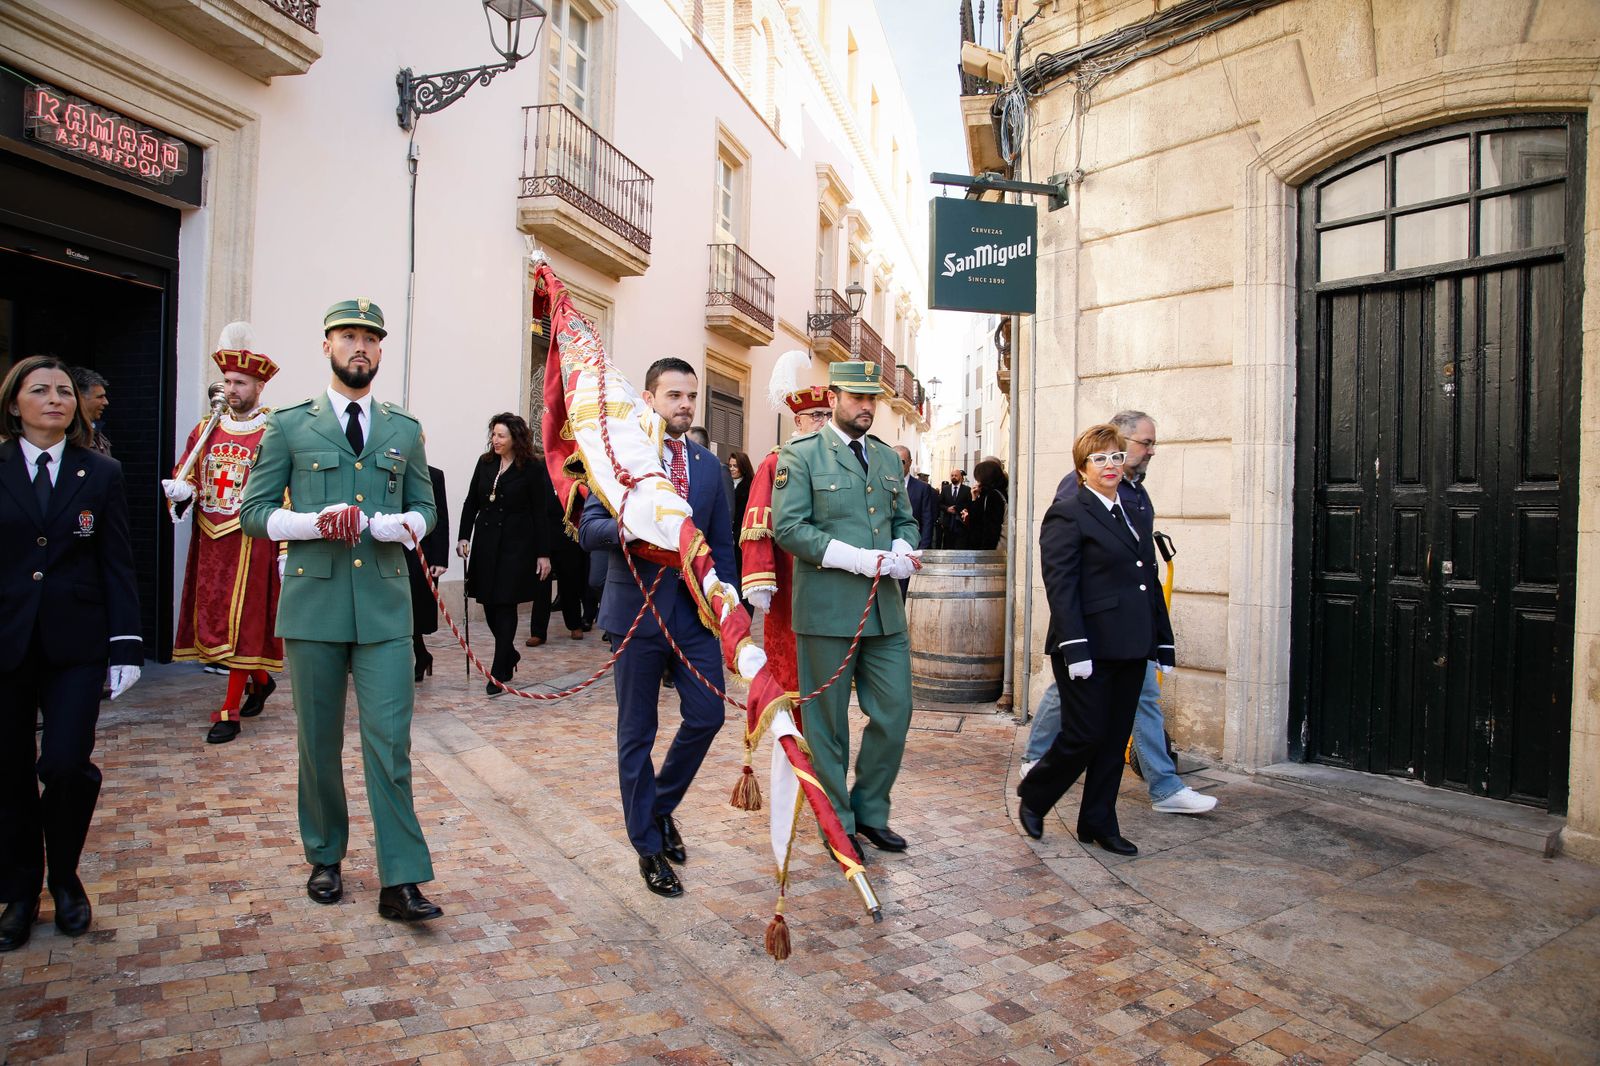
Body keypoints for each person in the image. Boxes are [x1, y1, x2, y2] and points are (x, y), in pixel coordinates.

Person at [239, 298, 443, 923]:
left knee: (390, 743)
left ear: (381, 351)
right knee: (317, 742)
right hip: (314, 603)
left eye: (370, 339)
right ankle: (325, 854)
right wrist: (310, 522)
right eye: (348, 337)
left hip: (384, 607)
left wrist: (403, 525)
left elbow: (427, 510)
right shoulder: (290, 426)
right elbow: (252, 512)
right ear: (327, 346)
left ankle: (400, 879)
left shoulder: (403, 429)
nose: (361, 348)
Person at [577, 357, 734, 898]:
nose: (685, 405)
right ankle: (648, 845)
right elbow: (589, 528)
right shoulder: (621, 455)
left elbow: (722, 542)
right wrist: (633, 522)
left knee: (709, 715)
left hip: (696, 617)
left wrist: (731, 605)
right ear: (649, 399)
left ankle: (659, 805)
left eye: (691, 396)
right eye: (674, 395)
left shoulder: (710, 468)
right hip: (637, 613)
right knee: (636, 733)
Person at [0, 355, 142, 951]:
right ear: (14, 403)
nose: (55, 399)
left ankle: (64, 876)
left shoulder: (100, 472)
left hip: (75, 644)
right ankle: (18, 889)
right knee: (7, 771)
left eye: (63, 390)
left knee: (63, 763)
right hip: (5, 642)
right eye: (40, 390)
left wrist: (126, 645)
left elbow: (117, 563)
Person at [1020, 412, 1216, 814]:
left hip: (1129, 630)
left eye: (1119, 456)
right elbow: (1064, 575)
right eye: (1144, 443)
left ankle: (1107, 805)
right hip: (1095, 631)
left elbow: (1146, 570)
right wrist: (1075, 643)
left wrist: (1160, 637)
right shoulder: (1076, 498)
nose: (1148, 451)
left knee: (1113, 715)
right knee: (1091, 725)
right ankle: (1040, 780)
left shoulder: (1134, 495)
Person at [773, 361, 920, 860]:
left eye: (872, 399)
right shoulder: (802, 455)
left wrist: (903, 547)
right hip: (827, 612)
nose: (866, 407)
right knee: (827, 724)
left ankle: (872, 810)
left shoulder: (883, 458)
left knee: (896, 711)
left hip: (885, 612)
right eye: (857, 397)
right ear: (834, 397)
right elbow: (789, 528)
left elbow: (906, 517)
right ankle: (838, 824)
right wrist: (856, 559)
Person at [161, 324, 284, 744]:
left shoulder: (273, 432)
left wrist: (285, 546)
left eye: (240, 382)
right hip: (211, 538)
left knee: (243, 625)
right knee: (213, 620)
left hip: (251, 540)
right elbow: (190, 474)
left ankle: (229, 710)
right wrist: (181, 494)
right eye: (228, 382)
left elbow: (285, 492)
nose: (231, 389)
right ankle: (261, 680)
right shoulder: (205, 429)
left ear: (258, 386)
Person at [458, 414, 552, 694]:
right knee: (488, 602)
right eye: (494, 435)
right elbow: (471, 501)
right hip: (486, 543)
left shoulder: (532, 467)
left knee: (505, 604)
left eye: (501, 436)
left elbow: (540, 512)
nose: (496, 440)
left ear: (515, 438)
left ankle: (499, 671)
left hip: (516, 545)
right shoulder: (485, 463)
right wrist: (464, 535)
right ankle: (509, 653)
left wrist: (543, 553)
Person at [530, 472, 587, 646]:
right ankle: (538, 632)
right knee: (541, 584)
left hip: (566, 533)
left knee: (569, 581)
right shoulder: (538, 471)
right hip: (542, 534)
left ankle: (574, 624)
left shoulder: (572, 470)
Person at [408, 460, 449, 683]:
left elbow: (441, 517)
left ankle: (421, 655)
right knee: (397, 609)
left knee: (415, 609)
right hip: (392, 550)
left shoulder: (434, 475)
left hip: (423, 552)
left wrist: (441, 559)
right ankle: (420, 655)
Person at [892, 444, 937, 599]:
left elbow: (927, 519)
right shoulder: (883, 484)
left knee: (905, 593)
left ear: (910, 462)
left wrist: (922, 548)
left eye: (902, 462)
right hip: (887, 550)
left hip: (912, 549)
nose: (897, 465)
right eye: (893, 460)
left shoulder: (922, 488)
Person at [963, 458, 1008, 551]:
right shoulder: (994, 493)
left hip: (992, 551)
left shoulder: (992, 496)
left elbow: (990, 529)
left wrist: (985, 553)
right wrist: (975, 499)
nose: (977, 481)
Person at [69, 366, 112, 456]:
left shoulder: (96, 433)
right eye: (100, 397)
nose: (106, 402)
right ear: (79, 398)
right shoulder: (69, 437)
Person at [938, 469, 971, 549]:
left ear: (960, 477)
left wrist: (963, 510)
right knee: (948, 546)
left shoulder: (967, 490)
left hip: (960, 524)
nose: (953, 477)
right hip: (948, 524)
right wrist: (947, 509)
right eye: (952, 475)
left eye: (956, 475)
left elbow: (969, 504)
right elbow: (939, 503)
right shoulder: (945, 489)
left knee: (960, 547)